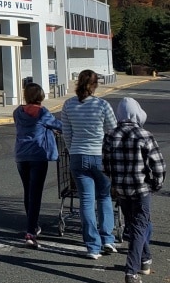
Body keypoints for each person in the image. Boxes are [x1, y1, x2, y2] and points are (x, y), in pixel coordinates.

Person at [103, 97, 165, 283]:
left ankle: (144, 260)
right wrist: (156, 184)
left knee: (135, 225)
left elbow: (106, 164)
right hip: (141, 189)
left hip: (121, 189)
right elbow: (159, 166)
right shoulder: (144, 135)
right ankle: (131, 271)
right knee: (139, 227)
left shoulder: (110, 135)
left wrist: (114, 181)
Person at [61, 69, 118, 259]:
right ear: (95, 85)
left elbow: (66, 133)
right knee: (104, 197)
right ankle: (107, 239)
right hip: (99, 155)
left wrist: (72, 149)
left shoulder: (68, 105)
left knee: (86, 200)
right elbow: (113, 131)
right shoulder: (102, 105)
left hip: (78, 155)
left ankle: (92, 246)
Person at [13, 82, 61, 249]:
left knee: (28, 191)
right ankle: (30, 231)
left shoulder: (17, 112)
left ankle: (32, 225)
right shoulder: (43, 113)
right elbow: (58, 125)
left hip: (21, 155)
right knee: (36, 194)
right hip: (38, 156)